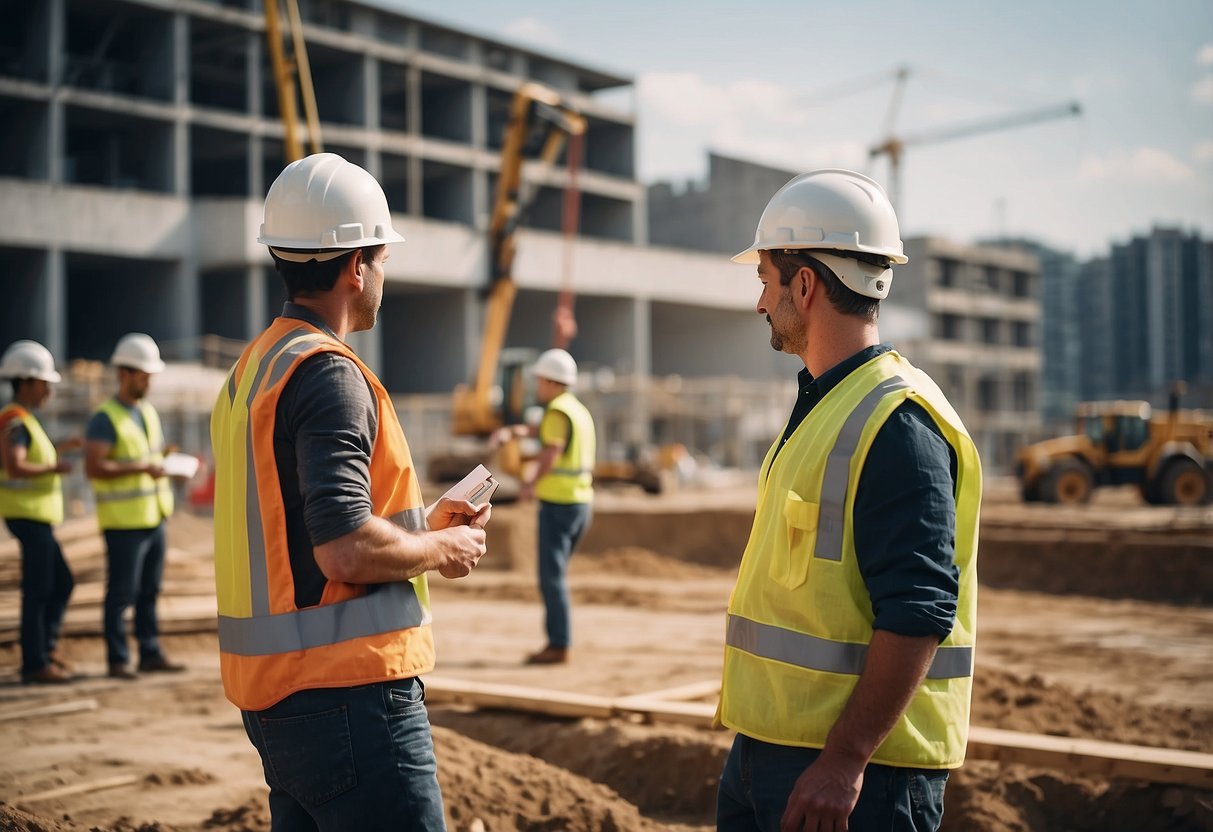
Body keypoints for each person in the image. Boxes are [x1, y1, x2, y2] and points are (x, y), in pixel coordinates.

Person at [210, 152, 491, 830]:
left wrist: (420, 527)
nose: (384, 276)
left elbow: (304, 532)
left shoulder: (256, 369)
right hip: (349, 695)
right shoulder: (328, 375)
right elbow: (340, 550)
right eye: (383, 258)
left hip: (279, 698)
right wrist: (442, 549)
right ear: (356, 265)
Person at [714, 169, 982, 832]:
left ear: (802, 284)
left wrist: (843, 760)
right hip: (771, 754)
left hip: (858, 780)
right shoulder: (827, 404)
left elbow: (919, 610)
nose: (758, 304)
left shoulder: (897, 423)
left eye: (764, 281)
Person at [85, 332, 185, 680]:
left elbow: (148, 456)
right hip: (124, 522)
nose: (148, 381)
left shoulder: (147, 413)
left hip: (154, 515)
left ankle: (149, 652)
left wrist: (166, 464)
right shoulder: (105, 417)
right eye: (143, 375)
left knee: (149, 590)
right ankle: (117, 658)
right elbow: (94, 467)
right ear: (124, 374)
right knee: (121, 592)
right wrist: (143, 467)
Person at [496, 348, 595, 665]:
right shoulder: (576, 409)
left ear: (552, 382)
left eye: (539, 381)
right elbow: (542, 433)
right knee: (557, 575)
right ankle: (559, 640)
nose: (536, 387)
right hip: (581, 502)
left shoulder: (554, 412)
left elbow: (552, 449)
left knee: (551, 578)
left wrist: (529, 483)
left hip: (559, 503)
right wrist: (515, 431)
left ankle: (558, 643)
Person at [0, 340, 80, 684]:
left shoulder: (25, 421)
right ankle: (34, 663)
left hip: (36, 517)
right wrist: (54, 469)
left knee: (61, 581)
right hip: (27, 515)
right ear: (27, 381)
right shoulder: (15, 421)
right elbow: (16, 466)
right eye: (44, 383)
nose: (48, 390)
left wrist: (61, 449)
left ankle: (45, 650)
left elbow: (29, 457)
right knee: (39, 589)